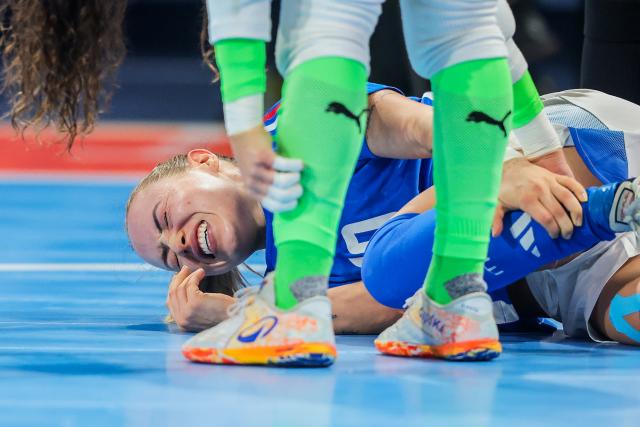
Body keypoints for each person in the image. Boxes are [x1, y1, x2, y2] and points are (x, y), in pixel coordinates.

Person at [126, 84, 640, 349]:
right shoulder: (291, 284)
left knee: (386, 262)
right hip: (547, 273)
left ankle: (508, 193)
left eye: (164, 216)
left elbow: (408, 123)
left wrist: (491, 168)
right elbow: (379, 303)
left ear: (202, 159)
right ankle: (605, 213)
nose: (177, 242)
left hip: (537, 152)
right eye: (169, 257)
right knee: (626, 320)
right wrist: (227, 313)